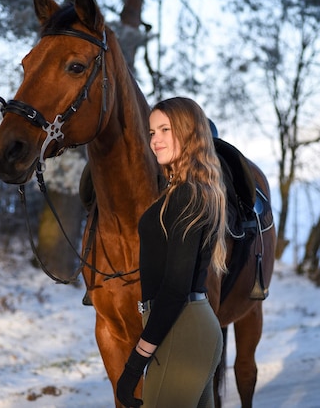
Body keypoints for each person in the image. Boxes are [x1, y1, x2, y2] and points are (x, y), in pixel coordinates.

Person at [116, 97, 227, 407]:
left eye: (165, 129)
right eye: (152, 132)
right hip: (187, 330)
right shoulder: (187, 190)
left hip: (183, 331)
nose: (155, 140)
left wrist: (134, 366)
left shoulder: (187, 195)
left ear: (189, 133)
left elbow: (175, 289)